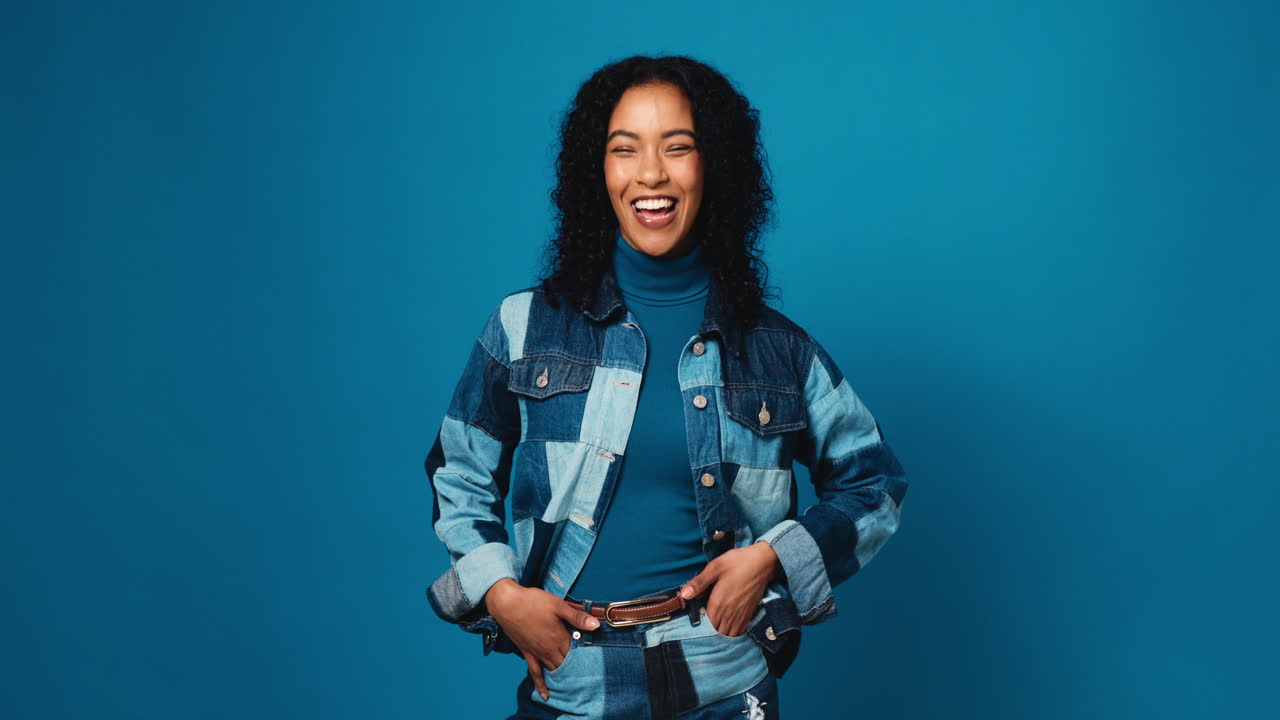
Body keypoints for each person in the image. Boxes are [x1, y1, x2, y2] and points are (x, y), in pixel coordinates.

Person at [424, 55, 908, 719]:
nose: (651, 173)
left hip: (721, 678)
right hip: (571, 680)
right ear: (597, 172)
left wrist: (769, 557)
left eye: (677, 148)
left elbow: (875, 485)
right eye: (626, 150)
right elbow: (459, 474)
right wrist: (503, 595)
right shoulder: (523, 327)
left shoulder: (779, 350)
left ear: (716, 168)